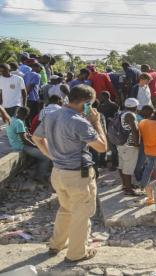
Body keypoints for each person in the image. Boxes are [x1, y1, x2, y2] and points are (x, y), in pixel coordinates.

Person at [32, 84, 108, 262]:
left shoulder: (52, 114)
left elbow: (36, 137)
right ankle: (76, 253)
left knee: (66, 209)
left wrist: (51, 155)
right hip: (77, 175)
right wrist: (96, 122)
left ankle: (56, 244)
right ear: (86, 103)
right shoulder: (79, 121)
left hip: (58, 172)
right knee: (81, 215)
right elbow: (103, 147)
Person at [6, 107, 50, 182]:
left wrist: (28, 136)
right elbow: (24, 140)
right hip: (21, 146)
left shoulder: (12, 119)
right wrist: (35, 145)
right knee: (45, 156)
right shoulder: (19, 122)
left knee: (39, 154)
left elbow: (22, 135)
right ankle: (41, 176)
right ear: (26, 115)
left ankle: (38, 173)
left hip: (14, 144)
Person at [116, 98, 140, 196]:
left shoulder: (121, 113)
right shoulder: (130, 115)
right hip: (129, 145)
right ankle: (129, 190)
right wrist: (137, 143)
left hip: (121, 143)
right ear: (135, 106)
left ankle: (126, 185)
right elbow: (134, 130)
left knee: (122, 165)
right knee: (128, 168)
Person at [97, 91, 119, 170]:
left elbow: (117, 117)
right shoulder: (101, 106)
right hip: (105, 128)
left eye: (101, 96)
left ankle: (114, 164)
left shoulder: (113, 105)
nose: (100, 98)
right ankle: (103, 162)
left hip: (110, 129)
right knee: (105, 145)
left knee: (112, 147)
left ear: (106, 97)